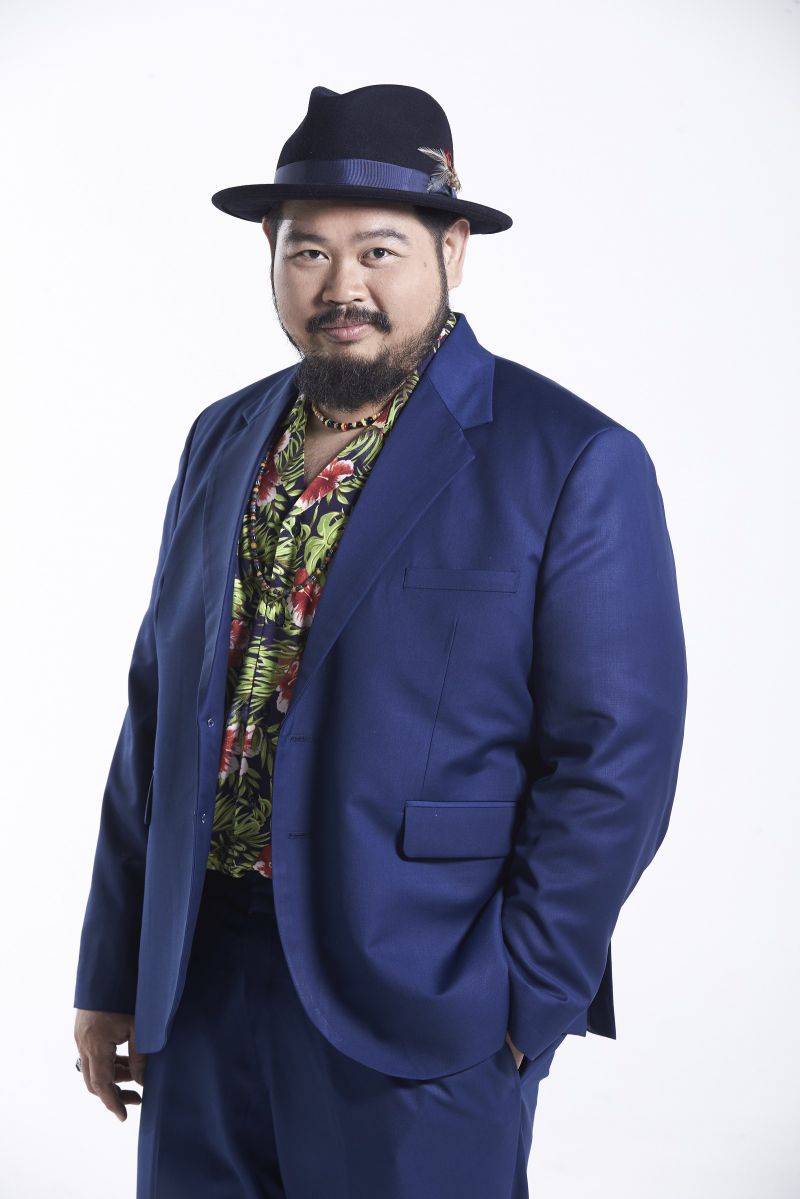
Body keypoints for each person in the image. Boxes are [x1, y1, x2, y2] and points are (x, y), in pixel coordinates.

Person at [73, 83, 688, 1198]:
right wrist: (114, 967)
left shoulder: (568, 457)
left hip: (422, 1003)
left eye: (379, 250)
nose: (341, 285)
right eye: (309, 250)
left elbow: (616, 758)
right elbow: (156, 709)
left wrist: (521, 1001)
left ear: (452, 250)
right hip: (197, 985)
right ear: (270, 253)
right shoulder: (222, 435)